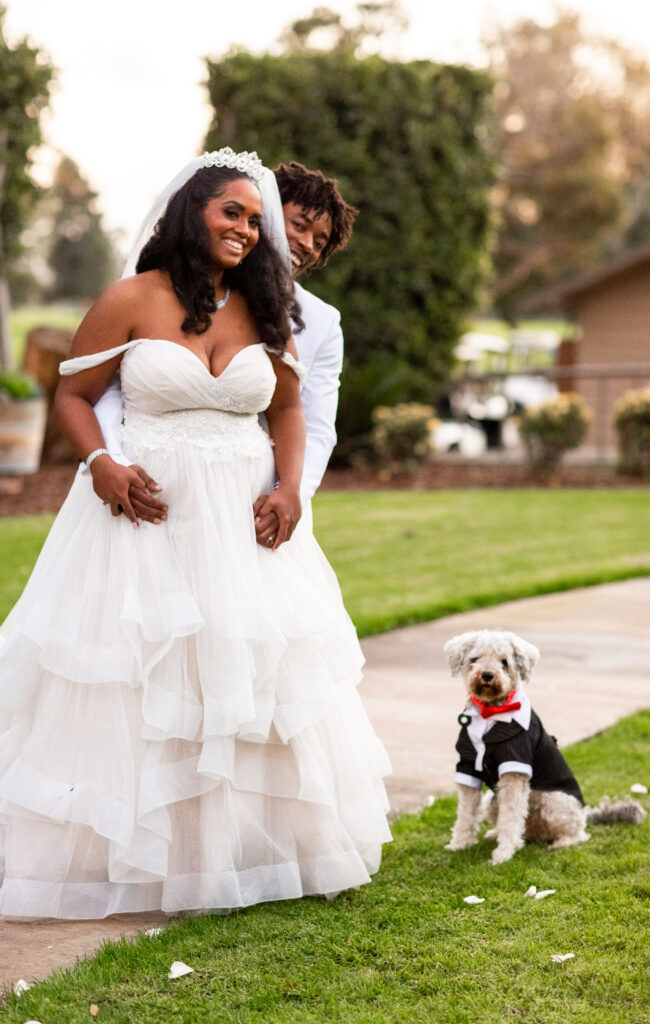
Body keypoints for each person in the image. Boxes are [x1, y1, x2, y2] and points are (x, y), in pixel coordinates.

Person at [0, 147, 391, 920]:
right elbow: (75, 393)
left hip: (243, 517)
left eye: (255, 219)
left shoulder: (264, 305)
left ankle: (241, 853)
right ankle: (131, 858)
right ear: (193, 212)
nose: (247, 230)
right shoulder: (130, 299)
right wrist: (103, 464)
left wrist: (287, 488)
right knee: (137, 677)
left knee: (244, 674)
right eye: (232, 213)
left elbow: (289, 409)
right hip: (144, 509)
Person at [91, 160, 358, 540]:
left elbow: (312, 420)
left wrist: (290, 492)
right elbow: (108, 390)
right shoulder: (141, 297)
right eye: (299, 225)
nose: (306, 244)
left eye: (320, 241)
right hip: (153, 485)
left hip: (254, 502)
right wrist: (108, 459)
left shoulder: (320, 321)